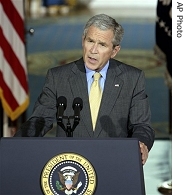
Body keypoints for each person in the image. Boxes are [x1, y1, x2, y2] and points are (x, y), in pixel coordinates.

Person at [14, 14, 155, 165]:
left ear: (114, 51)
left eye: (102, 45)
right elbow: (39, 120)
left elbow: (141, 125)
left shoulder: (132, 79)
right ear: (83, 41)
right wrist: (18, 143)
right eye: (90, 41)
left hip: (115, 163)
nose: (93, 50)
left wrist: (141, 144)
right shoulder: (58, 77)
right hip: (71, 167)